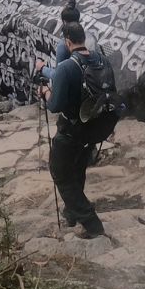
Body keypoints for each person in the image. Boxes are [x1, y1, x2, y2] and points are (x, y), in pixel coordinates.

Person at [38, 22, 106, 238]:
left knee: (60, 173)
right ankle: (71, 212)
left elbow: (55, 105)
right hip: (92, 128)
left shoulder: (66, 68)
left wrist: (45, 92)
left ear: (67, 42)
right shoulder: (101, 60)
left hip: (70, 131)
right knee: (77, 170)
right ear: (83, 38)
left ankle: (92, 224)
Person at [40, 0, 100, 80]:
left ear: (64, 22)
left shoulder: (64, 44)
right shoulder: (90, 37)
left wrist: (42, 69)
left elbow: (59, 75)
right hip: (96, 83)